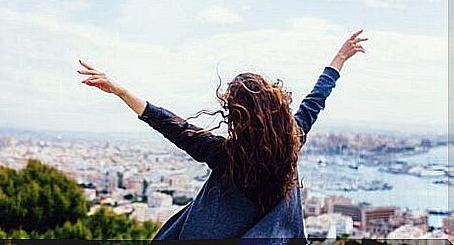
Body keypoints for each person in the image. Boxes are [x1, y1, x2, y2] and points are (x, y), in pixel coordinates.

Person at [77, 29, 368, 242]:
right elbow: (316, 99)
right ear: (275, 106)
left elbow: (173, 126)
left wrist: (121, 92)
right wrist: (340, 58)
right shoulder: (294, 137)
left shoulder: (225, 155)